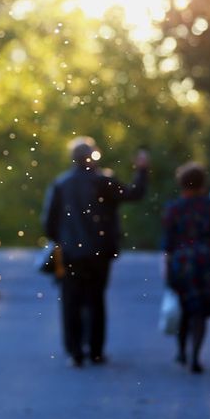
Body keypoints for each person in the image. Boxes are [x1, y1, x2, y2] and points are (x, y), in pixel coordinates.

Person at [41, 137, 149, 367]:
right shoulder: (104, 182)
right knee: (96, 300)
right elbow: (134, 194)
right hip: (99, 252)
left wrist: (61, 239)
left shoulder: (61, 184)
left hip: (71, 253)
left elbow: (49, 223)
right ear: (93, 156)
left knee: (71, 301)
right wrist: (141, 170)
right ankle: (96, 351)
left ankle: (75, 351)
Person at [162, 162, 210, 374]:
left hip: (182, 262)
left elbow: (168, 243)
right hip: (209, 262)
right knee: (200, 310)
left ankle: (182, 350)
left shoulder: (173, 208)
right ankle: (195, 355)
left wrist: (167, 269)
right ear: (203, 183)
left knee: (184, 306)